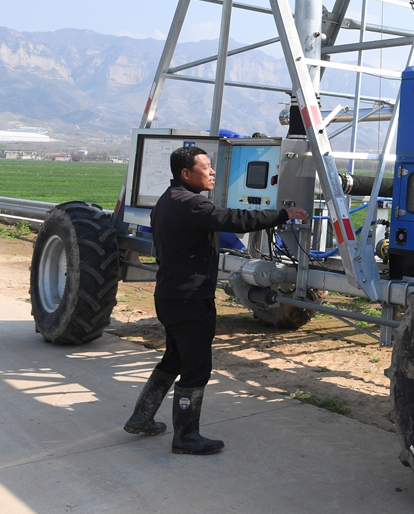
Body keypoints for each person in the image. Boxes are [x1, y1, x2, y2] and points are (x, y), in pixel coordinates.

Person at [123, 146, 308, 455]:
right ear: (186, 174)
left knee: (174, 358)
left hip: (169, 295)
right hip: (190, 299)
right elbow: (235, 220)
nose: (211, 172)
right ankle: (185, 436)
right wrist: (282, 214)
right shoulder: (191, 204)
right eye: (206, 167)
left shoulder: (166, 200)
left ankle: (142, 417)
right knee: (196, 369)